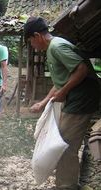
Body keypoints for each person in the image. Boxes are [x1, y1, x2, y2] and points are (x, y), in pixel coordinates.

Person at [24, 17, 100, 190]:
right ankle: (65, 182)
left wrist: (64, 92)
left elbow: (82, 69)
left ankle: (67, 185)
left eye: (30, 41)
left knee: (65, 144)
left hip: (81, 100)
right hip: (75, 100)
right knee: (63, 141)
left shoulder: (57, 47)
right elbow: (61, 83)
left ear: (37, 36)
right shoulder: (53, 48)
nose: (32, 46)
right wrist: (42, 103)